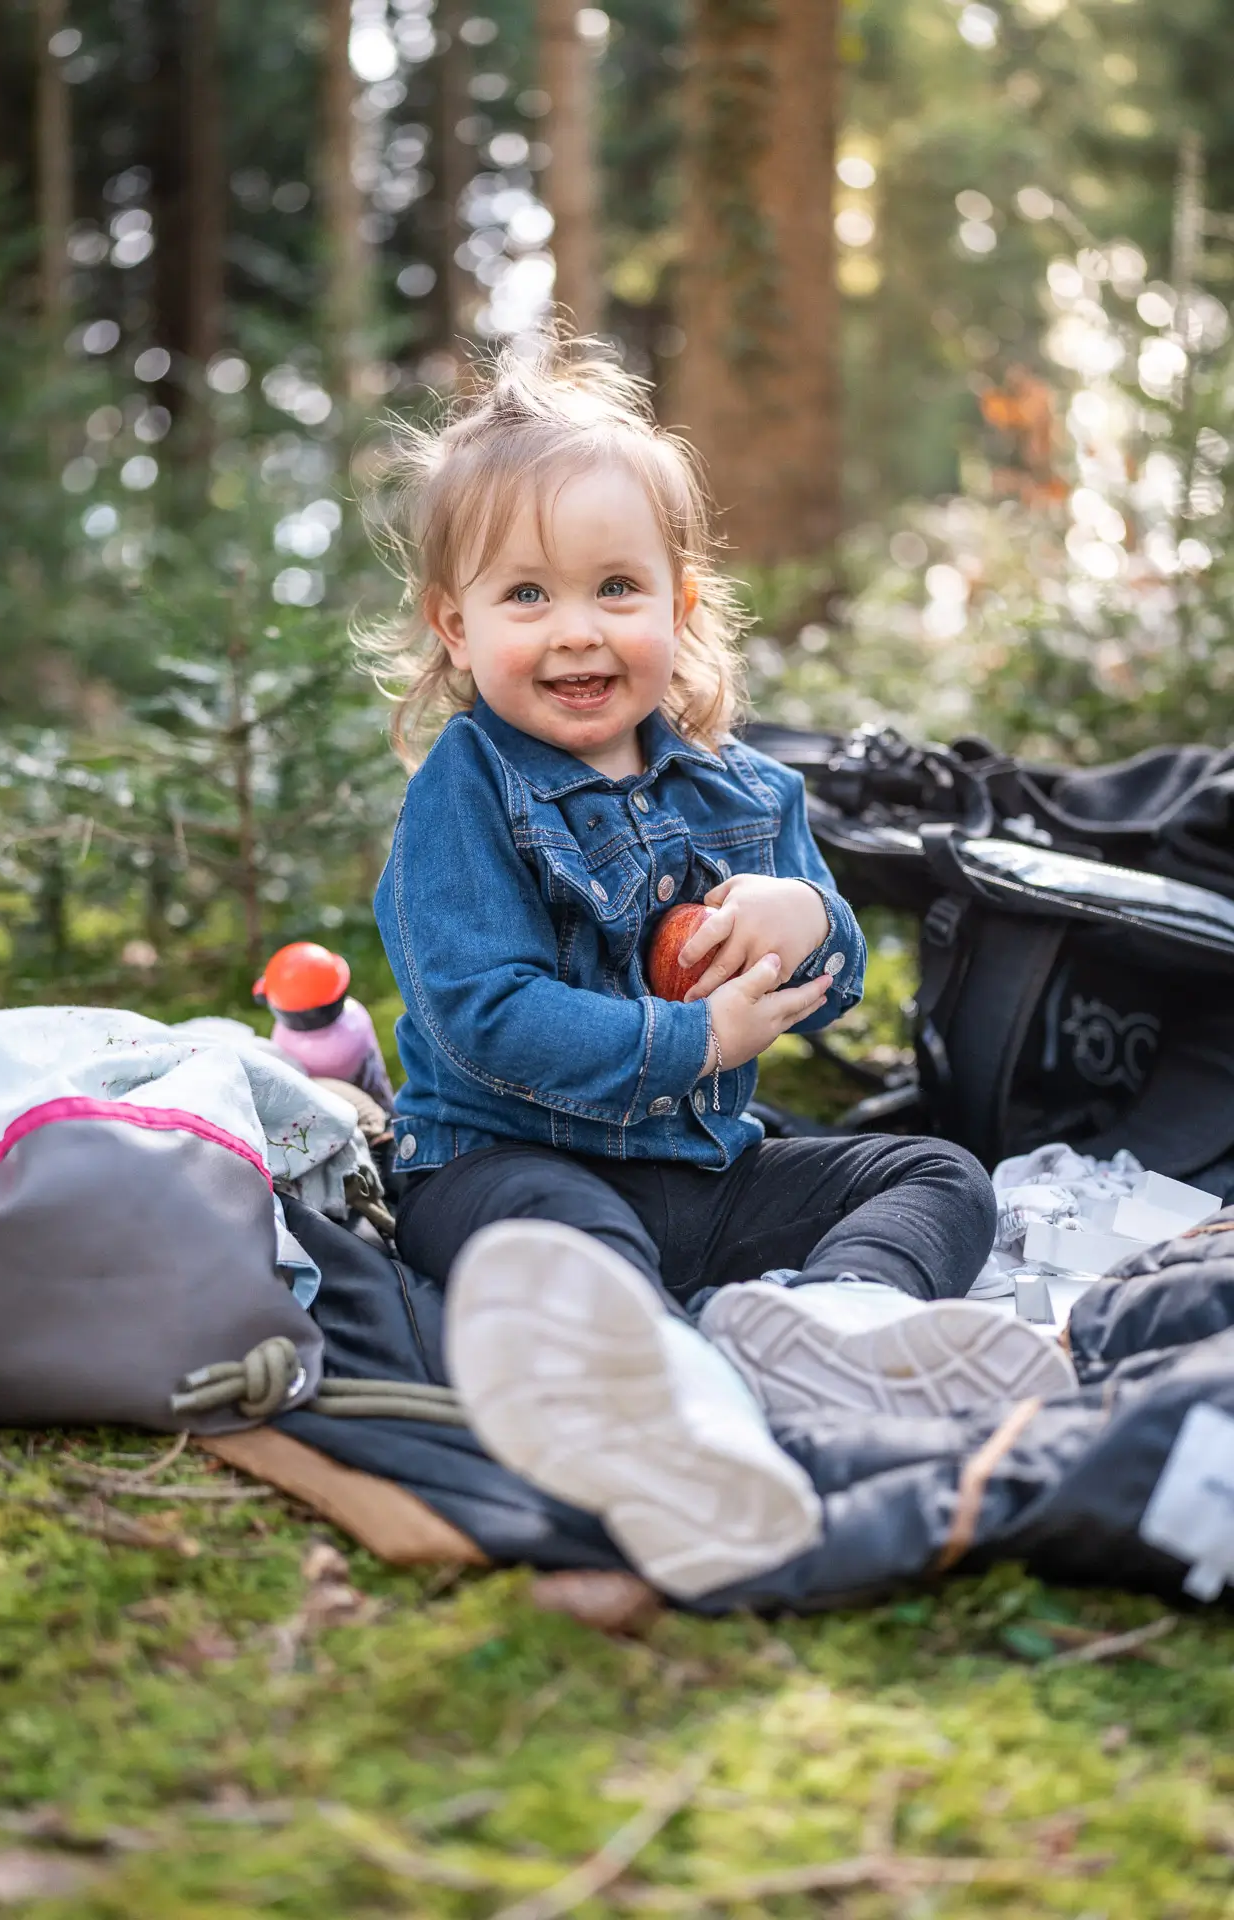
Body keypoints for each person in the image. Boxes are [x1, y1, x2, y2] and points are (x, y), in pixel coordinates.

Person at [364, 337, 1075, 1600]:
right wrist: (692, 1047)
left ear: (679, 605)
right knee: (568, 1240)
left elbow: (840, 969)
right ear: (453, 627)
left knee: (935, 1170)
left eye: (615, 589)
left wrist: (806, 916)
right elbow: (482, 1017)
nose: (575, 631)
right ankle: (666, 1406)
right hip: (501, 1164)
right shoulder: (463, 793)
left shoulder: (743, 790)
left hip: (697, 1176)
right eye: (524, 596)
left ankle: (831, 1325)